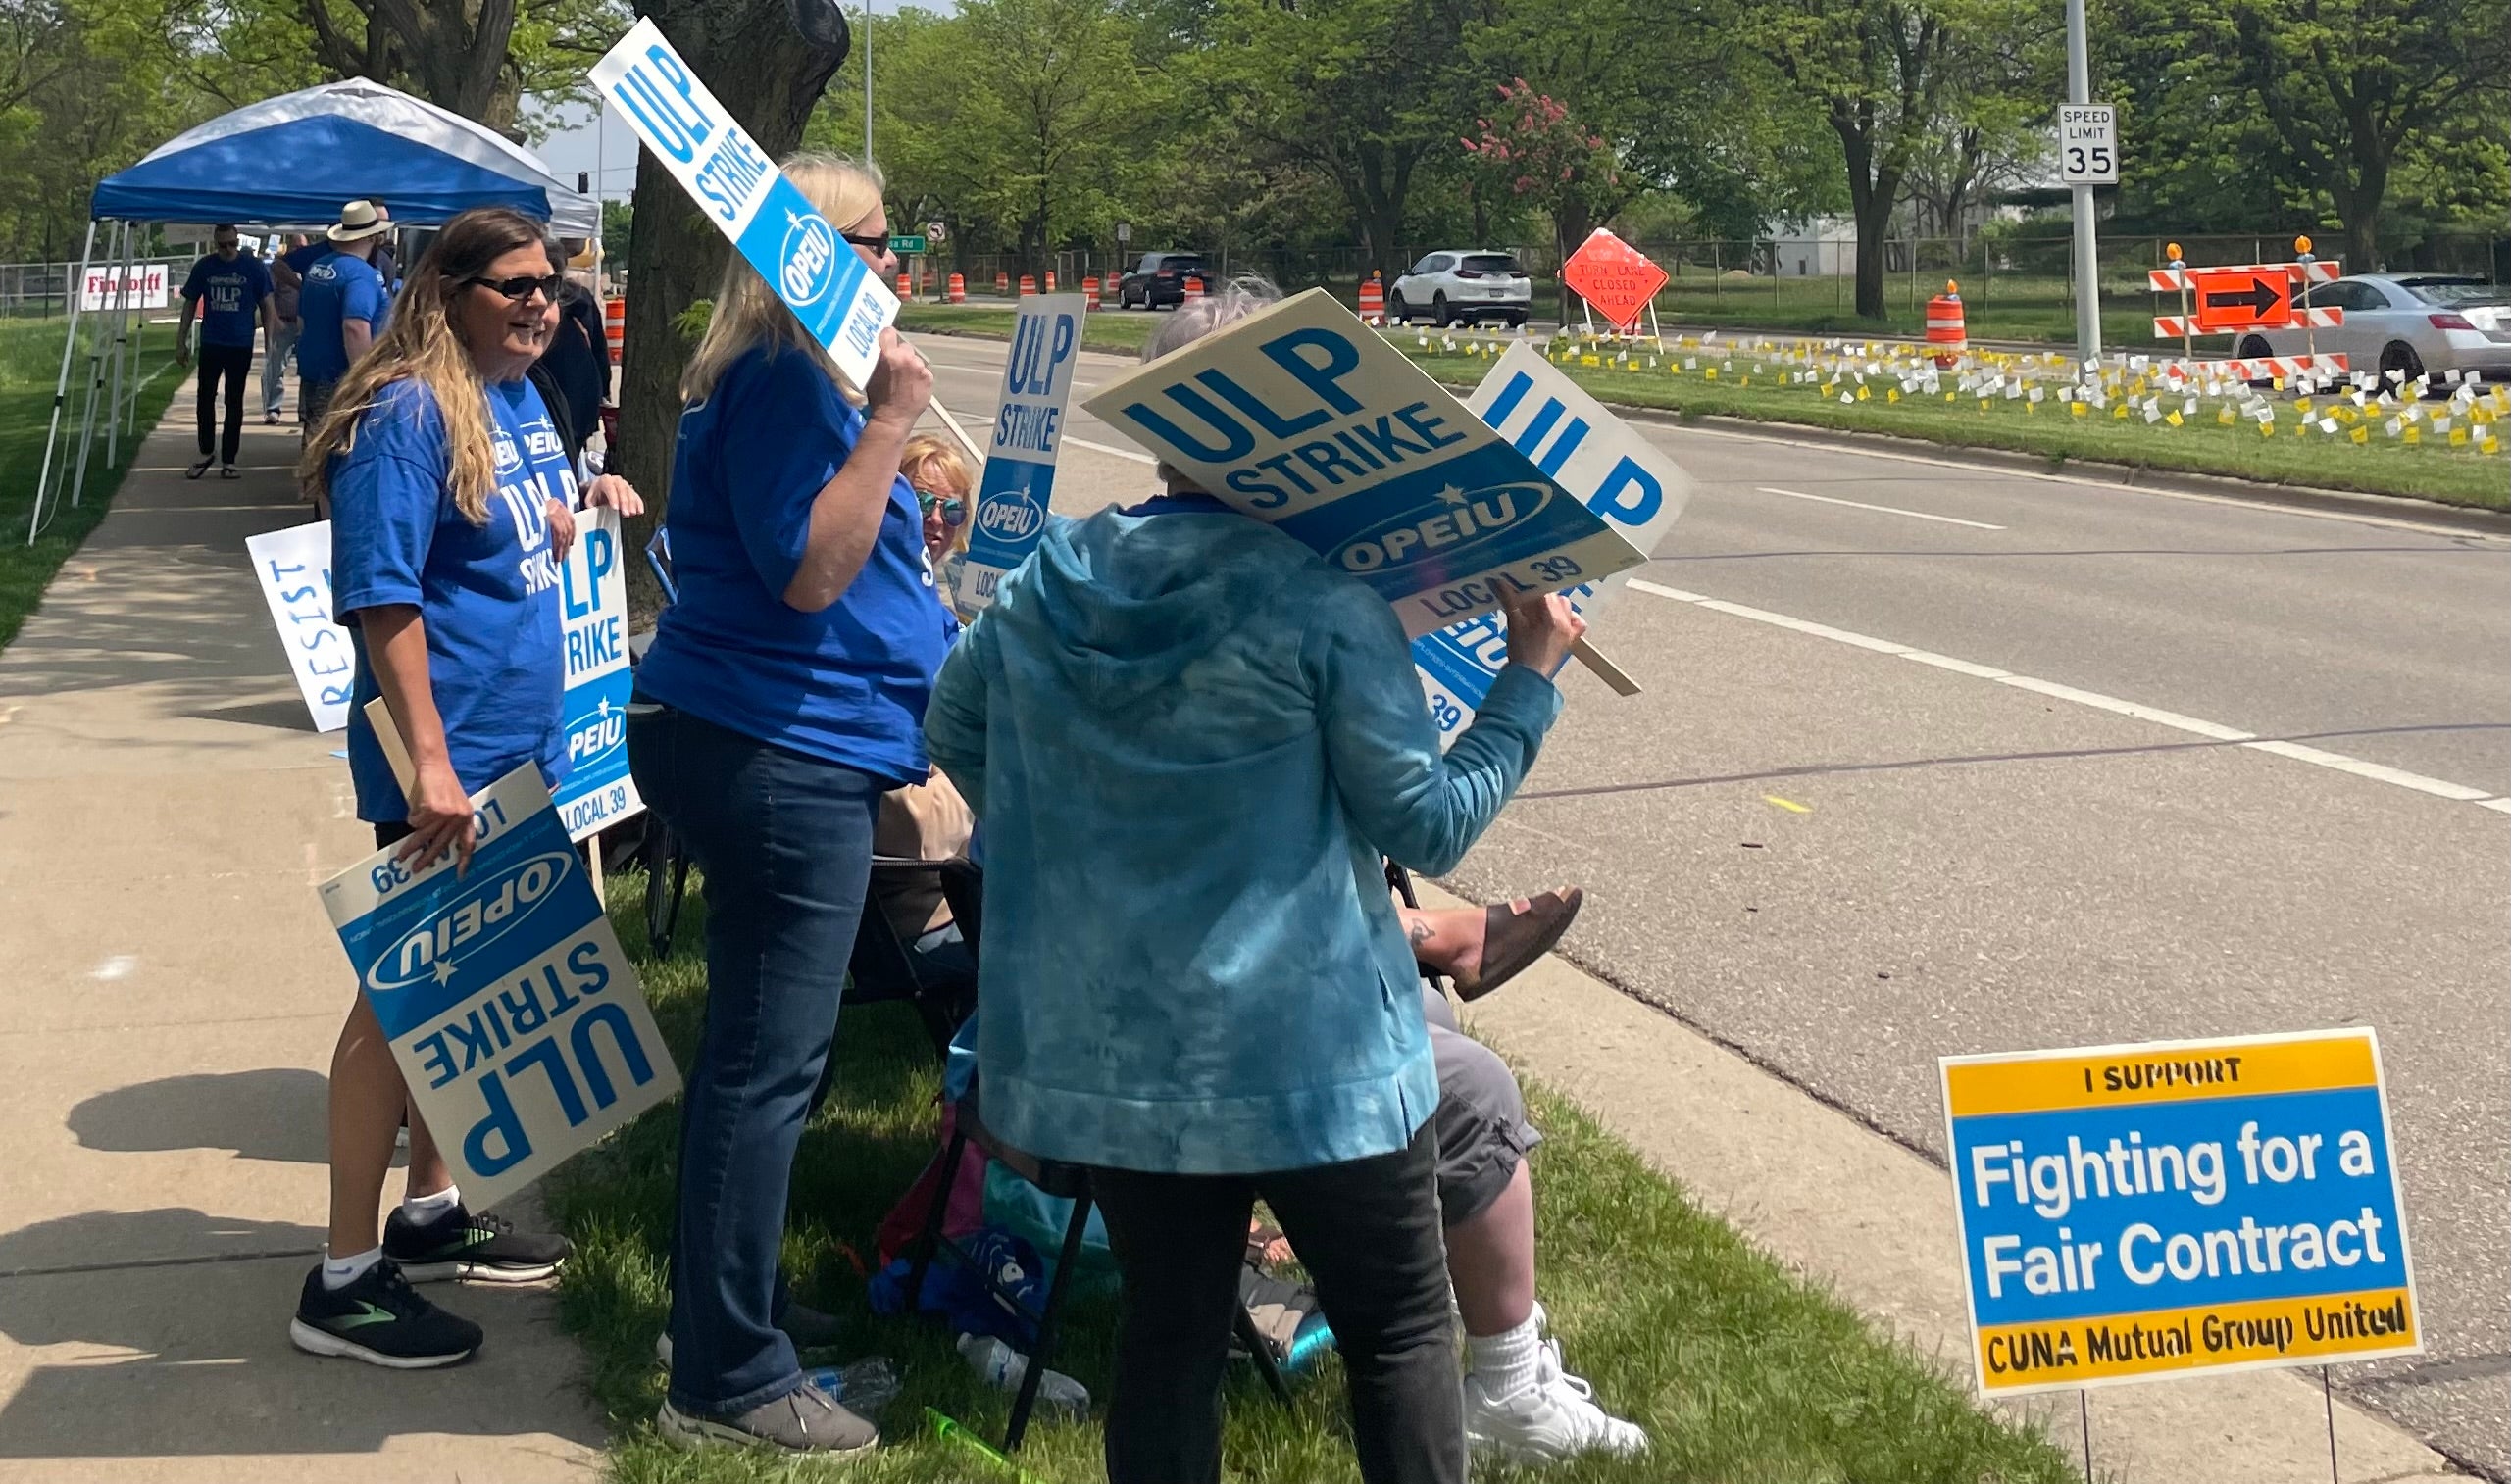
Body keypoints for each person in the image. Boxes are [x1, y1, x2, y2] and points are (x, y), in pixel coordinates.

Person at [924, 276, 1586, 1484]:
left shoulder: (1048, 580)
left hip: (1123, 1050)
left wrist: (1089, 831)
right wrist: (1528, 678)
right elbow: (1429, 820)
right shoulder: (1319, 604)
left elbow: (953, 726)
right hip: (1317, 1057)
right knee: (1397, 1327)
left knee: (1167, 1334)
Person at [288, 207, 641, 1370]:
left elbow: (496, 529)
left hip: (518, 740)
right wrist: (431, 762)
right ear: (448, 293)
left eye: (550, 282)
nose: (543, 302)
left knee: (464, 989)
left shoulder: (517, 397)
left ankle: (430, 1212)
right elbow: (382, 596)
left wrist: (568, 514)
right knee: (399, 1003)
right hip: (447, 757)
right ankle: (342, 1281)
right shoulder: (405, 414)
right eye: (515, 286)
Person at [625, 153, 938, 1457]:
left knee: (759, 1057)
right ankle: (728, 1375)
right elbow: (806, 571)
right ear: (814, 255)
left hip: (775, 738)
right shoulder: (791, 380)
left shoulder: (782, 378)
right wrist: (889, 425)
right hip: (776, 750)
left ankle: (724, 1309)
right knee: (769, 1064)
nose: (895, 264)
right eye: (877, 241)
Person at [295, 200, 394, 482]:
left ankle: (317, 497)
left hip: (313, 369)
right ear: (372, 237)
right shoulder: (361, 274)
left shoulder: (318, 267)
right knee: (339, 449)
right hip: (341, 377)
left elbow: (302, 319)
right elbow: (355, 326)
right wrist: (363, 378)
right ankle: (329, 504)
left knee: (317, 441)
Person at [175, 224, 276, 479]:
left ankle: (229, 459)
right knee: (205, 396)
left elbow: (267, 304)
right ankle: (206, 449)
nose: (228, 249)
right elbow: (189, 303)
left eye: (233, 244)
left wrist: (270, 341)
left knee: (234, 400)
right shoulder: (205, 267)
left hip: (240, 343)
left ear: (238, 242)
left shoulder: (253, 267)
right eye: (223, 245)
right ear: (215, 244)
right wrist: (181, 340)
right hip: (212, 341)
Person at [525, 239, 611, 467]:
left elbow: (598, 347)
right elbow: (599, 350)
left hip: (567, 395)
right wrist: (604, 390)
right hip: (581, 395)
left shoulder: (575, 302)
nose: (538, 303)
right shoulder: (581, 299)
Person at [261, 234, 307, 423]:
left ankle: (305, 410)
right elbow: (269, 297)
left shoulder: (312, 267)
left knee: (308, 369)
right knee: (276, 367)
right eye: (296, 247)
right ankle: (273, 408)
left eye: (302, 248)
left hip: (306, 325)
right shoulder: (279, 268)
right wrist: (274, 320)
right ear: (289, 248)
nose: (299, 251)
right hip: (284, 323)